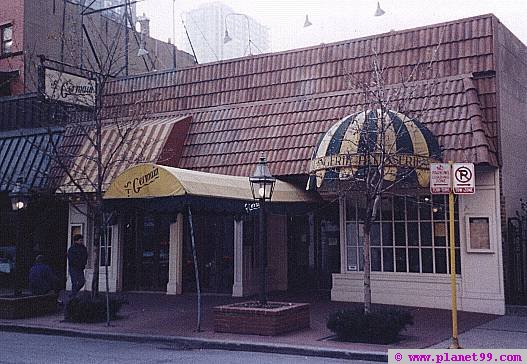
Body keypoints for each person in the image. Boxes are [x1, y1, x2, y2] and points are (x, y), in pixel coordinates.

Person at [67, 234, 88, 298]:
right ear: (76, 241)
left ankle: (73, 293)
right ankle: (73, 296)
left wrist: (83, 263)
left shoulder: (83, 248)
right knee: (74, 282)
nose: (81, 241)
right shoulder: (72, 249)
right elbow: (71, 259)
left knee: (82, 281)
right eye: (80, 240)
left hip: (80, 268)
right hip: (74, 267)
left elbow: (86, 256)